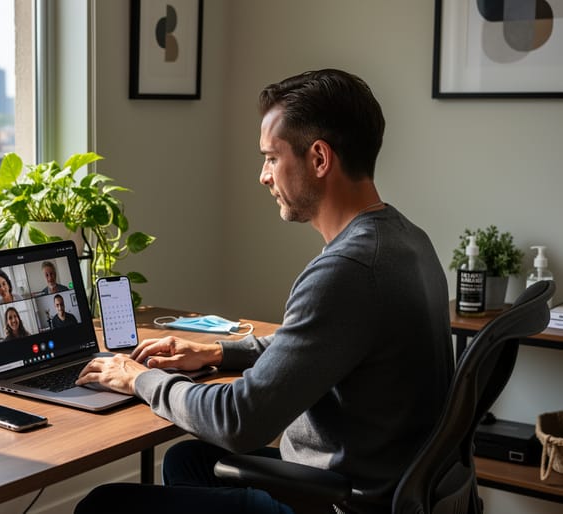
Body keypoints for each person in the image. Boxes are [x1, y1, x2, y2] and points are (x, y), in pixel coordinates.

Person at [74, 69, 453, 514]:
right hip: (381, 481)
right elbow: (324, 342)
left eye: (271, 158)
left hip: (343, 500)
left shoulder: (346, 270)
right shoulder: (406, 240)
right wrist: (217, 353)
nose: (263, 176)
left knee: (103, 505)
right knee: (188, 461)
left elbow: (239, 421)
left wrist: (141, 379)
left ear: (319, 158)